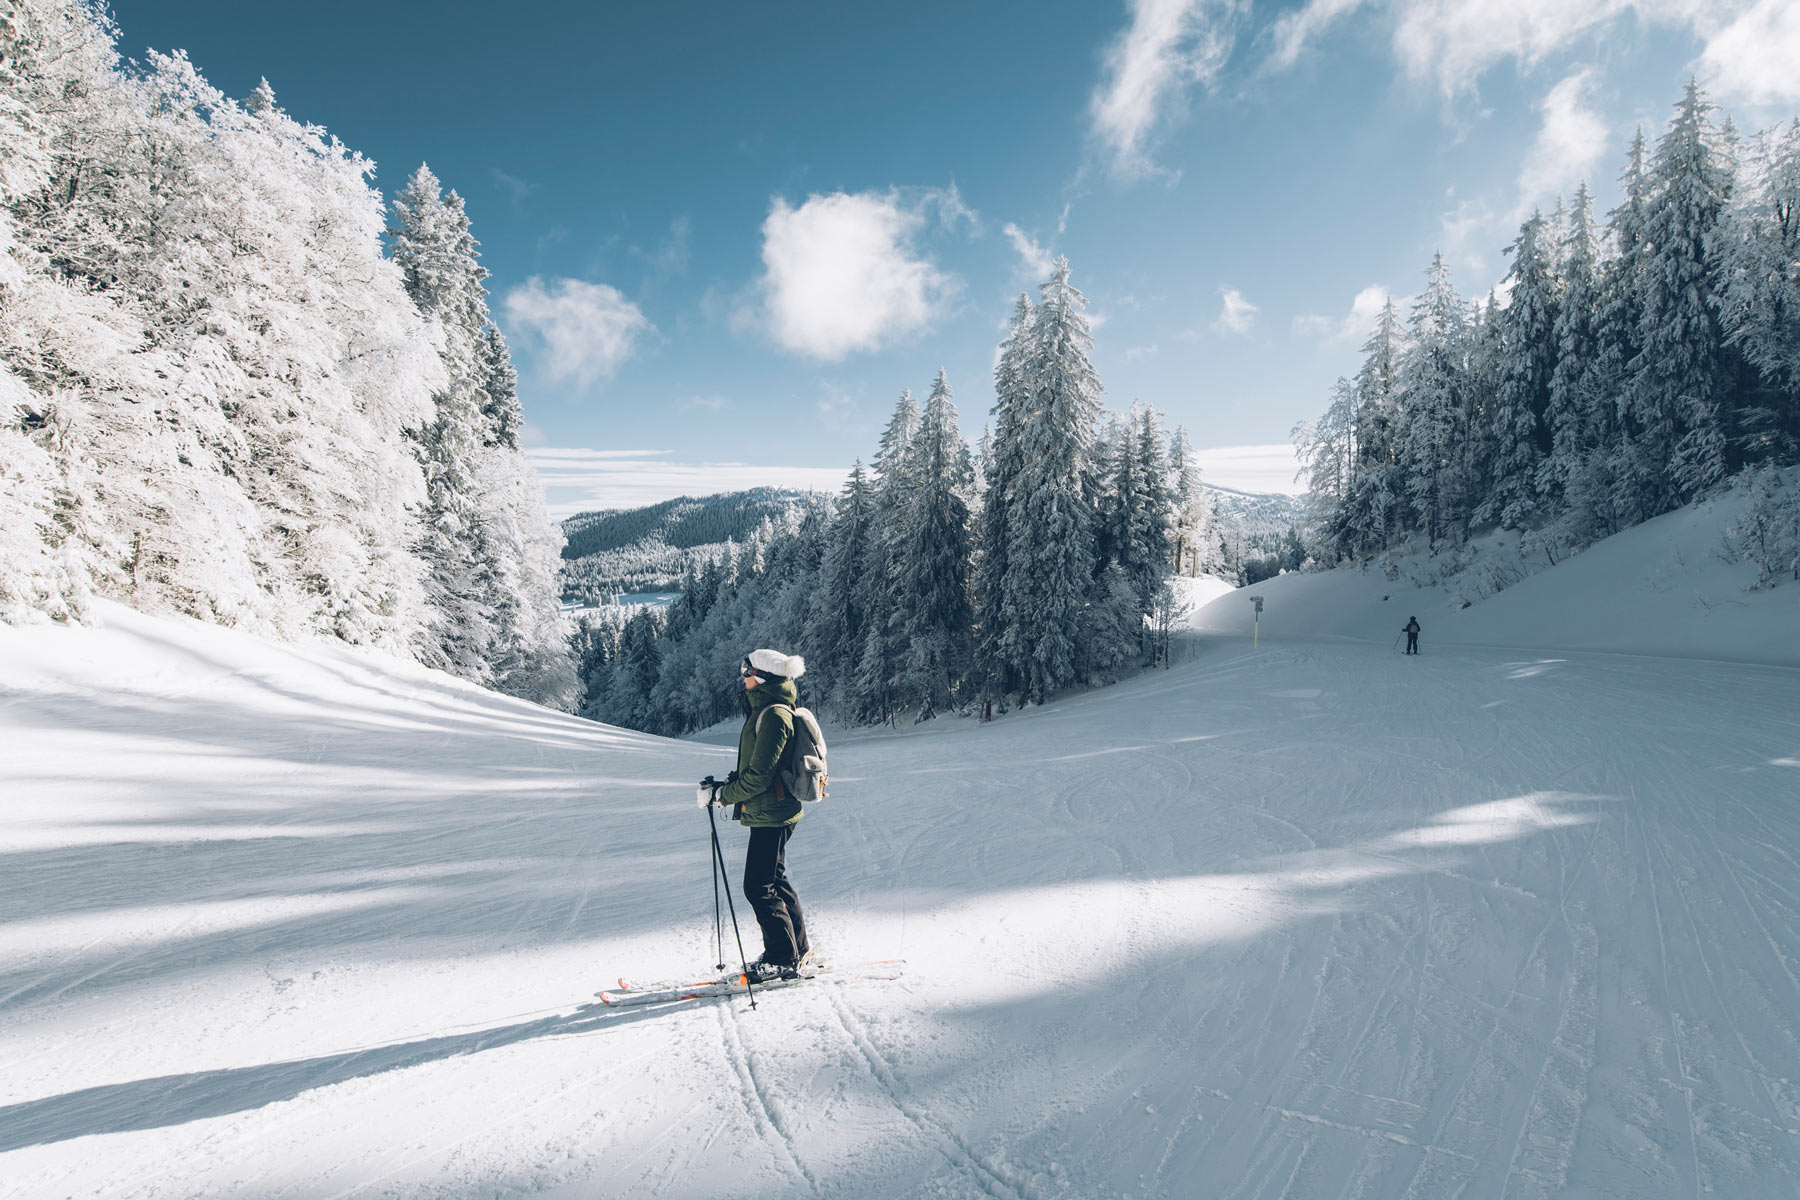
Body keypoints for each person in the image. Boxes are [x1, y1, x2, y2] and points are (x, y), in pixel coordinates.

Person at [697, 648, 810, 983]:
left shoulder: (774, 715)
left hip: (771, 812)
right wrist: (723, 787)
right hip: (770, 808)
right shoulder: (766, 710)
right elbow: (756, 770)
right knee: (774, 879)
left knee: (758, 886)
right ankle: (796, 949)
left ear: (761, 677)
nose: (742, 677)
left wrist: (721, 796)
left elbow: (760, 777)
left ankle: (782, 958)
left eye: (746, 671)